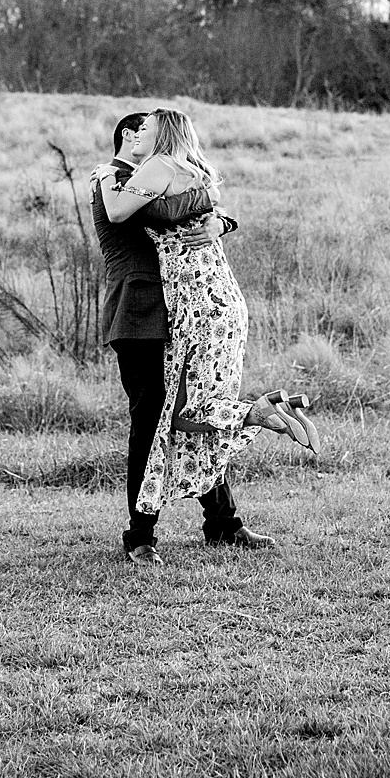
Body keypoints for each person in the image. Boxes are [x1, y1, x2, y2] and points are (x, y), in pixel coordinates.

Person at [91, 109, 315, 566]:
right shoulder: (109, 178)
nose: (149, 136)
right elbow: (149, 212)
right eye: (143, 128)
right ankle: (140, 536)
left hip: (184, 311)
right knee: (151, 421)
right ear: (131, 135)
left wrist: (222, 221)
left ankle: (222, 524)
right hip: (139, 316)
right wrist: (210, 210)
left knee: (195, 412)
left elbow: (195, 204)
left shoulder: (168, 172)